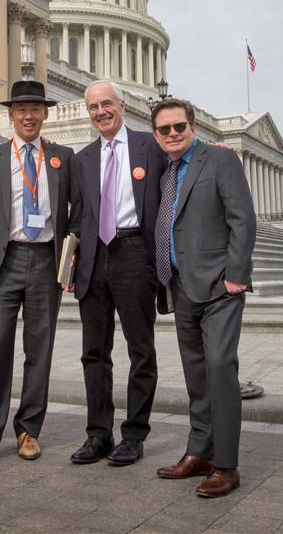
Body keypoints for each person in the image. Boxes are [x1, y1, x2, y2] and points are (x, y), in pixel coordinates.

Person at [152, 98, 256, 497]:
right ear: (157, 134)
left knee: (220, 369)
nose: (173, 134)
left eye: (180, 127)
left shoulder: (220, 161)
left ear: (192, 127)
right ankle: (200, 452)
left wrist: (236, 276)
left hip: (219, 287)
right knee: (197, 375)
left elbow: (242, 218)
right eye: (165, 129)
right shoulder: (166, 172)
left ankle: (227, 465)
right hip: (180, 285)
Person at [0, 80, 73, 469]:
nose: (28, 116)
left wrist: (71, 262)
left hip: (46, 260)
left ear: (46, 113)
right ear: (10, 115)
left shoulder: (63, 157)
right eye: (21, 109)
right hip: (5, 260)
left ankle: (29, 429)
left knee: (39, 350)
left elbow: (75, 214)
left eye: (35, 109)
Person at [67, 80, 167, 466]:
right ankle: (98, 434)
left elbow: (184, 165)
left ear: (122, 105)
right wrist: (70, 264)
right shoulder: (83, 158)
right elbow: (78, 216)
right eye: (93, 107)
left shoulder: (150, 146)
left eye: (106, 104)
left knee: (140, 349)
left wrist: (217, 154)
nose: (100, 112)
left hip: (134, 254)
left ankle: (135, 435)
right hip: (93, 260)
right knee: (94, 352)